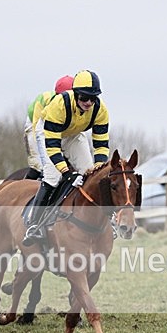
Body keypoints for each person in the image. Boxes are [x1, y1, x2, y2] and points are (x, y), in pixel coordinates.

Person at [22, 70, 110, 245]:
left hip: (72, 133)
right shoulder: (59, 105)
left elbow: (101, 145)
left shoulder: (100, 110)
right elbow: (53, 147)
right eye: (85, 97)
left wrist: (99, 170)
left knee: (90, 175)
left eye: (93, 98)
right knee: (53, 177)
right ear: (75, 93)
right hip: (48, 132)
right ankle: (34, 224)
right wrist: (67, 172)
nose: (89, 102)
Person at [24, 75, 74, 177]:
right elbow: (37, 132)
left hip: (58, 127)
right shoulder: (42, 101)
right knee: (39, 163)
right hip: (35, 123)